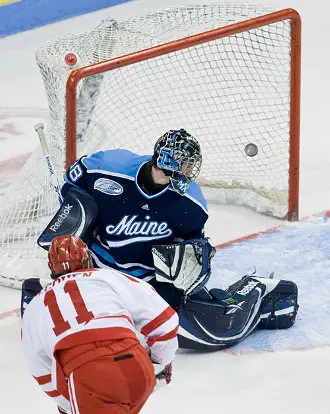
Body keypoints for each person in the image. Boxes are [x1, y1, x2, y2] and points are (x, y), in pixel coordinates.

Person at [32, 128, 299, 351]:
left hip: (151, 282)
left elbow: (192, 254)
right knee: (67, 324)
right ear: (164, 162)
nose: (187, 172)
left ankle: (255, 289)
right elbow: (74, 183)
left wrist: (179, 288)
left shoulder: (190, 203)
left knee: (214, 332)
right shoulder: (108, 169)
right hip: (100, 271)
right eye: (182, 166)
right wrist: (73, 212)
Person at [21, 235, 178, 414]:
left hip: (92, 378)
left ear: (51, 268)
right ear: (87, 258)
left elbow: (42, 373)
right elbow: (166, 322)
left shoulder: (35, 306)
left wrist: (70, 404)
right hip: (137, 366)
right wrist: (158, 364)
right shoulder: (108, 277)